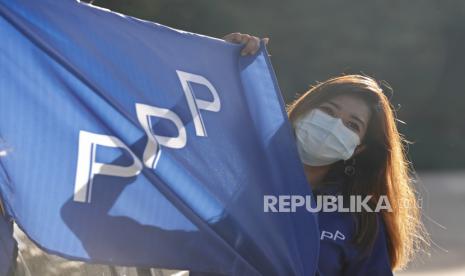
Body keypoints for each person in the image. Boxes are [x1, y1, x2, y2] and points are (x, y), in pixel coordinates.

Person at [224, 33, 428, 275]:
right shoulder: (239, 176)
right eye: (329, 111)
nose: (334, 126)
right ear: (302, 111)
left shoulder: (359, 218)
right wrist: (221, 62)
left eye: (352, 125)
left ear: (358, 149)